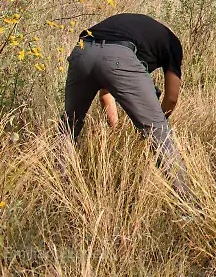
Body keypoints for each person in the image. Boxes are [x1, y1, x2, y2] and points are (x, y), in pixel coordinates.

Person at [59, 13, 192, 198]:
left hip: (81, 50)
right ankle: (188, 205)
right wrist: (155, 122)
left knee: (69, 125)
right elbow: (171, 97)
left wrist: (115, 128)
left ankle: (57, 187)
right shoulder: (172, 43)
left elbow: (105, 91)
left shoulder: (132, 30)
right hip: (118, 54)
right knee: (158, 131)